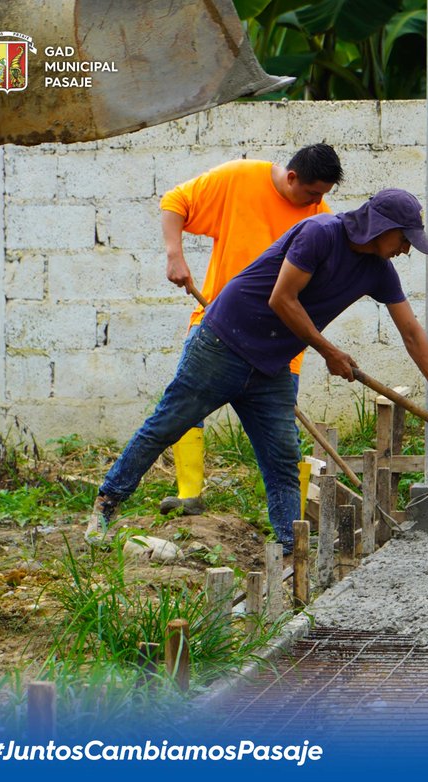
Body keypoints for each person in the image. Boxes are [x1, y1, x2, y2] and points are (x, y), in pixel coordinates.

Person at [87, 189, 428, 554]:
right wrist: (329, 352)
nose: (406, 249)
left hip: (270, 365)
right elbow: (282, 298)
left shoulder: (378, 271)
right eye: (404, 238)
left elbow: (412, 333)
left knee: (282, 458)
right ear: (380, 228)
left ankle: (289, 546)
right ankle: (106, 504)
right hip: (222, 344)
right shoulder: (319, 233)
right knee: (165, 427)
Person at [158, 144, 343, 516]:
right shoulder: (239, 179)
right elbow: (175, 202)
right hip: (217, 323)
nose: (316, 203)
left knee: (281, 433)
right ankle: (188, 494)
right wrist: (175, 255)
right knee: (186, 406)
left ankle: (295, 519)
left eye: (323, 196)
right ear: (292, 177)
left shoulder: (320, 216)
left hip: (279, 340)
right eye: (311, 194)